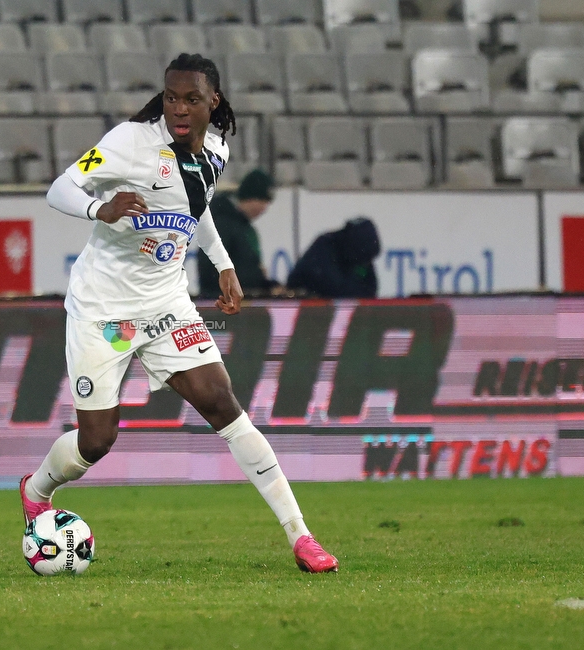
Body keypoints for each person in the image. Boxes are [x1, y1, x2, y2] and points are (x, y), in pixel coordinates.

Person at [20, 53, 338, 573]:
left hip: (166, 303)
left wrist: (223, 264)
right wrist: (101, 208)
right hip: (104, 307)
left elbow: (196, 203)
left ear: (213, 101)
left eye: (191, 99)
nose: (179, 109)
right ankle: (35, 490)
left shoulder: (215, 148)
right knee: (97, 440)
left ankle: (302, 538)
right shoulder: (129, 142)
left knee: (222, 403)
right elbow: (60, 188)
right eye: (171, 98)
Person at [197, 169, 279, 298]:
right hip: (222, 301)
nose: (264, 208)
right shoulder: (223, 224)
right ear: (250, 197)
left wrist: (264, 284)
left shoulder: (243, 228)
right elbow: (212, 270)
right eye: (261, 201)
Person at [287, 217, 381, 298]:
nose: (366, 263)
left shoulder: (359, 261)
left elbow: (370, 287)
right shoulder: (326, 248)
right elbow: (337, 290)